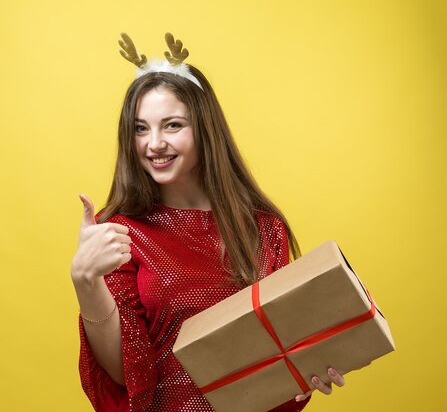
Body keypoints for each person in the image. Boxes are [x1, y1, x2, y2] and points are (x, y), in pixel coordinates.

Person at [71, 33, 345, 412]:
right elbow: (123, 372)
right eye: (140, 128)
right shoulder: (121, 232)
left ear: (205, 129)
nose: (153, 144)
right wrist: (87, 283)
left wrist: (308, 367)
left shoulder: (264, 229)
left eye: (172, 126)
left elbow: (282, 346)